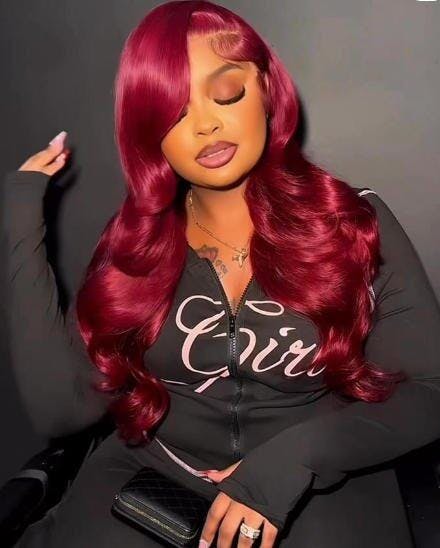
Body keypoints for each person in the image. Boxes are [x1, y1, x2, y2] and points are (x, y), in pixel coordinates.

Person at [2, 1, 440, 546]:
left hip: (316, 479)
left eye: (226, 91)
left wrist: (296, 458)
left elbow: (430, 391)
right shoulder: (133, 245)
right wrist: (20, 216)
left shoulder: (353, 223)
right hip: (152, 475)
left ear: (266, 89)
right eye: (172, 110)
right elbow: (63, 409)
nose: (204, 123)